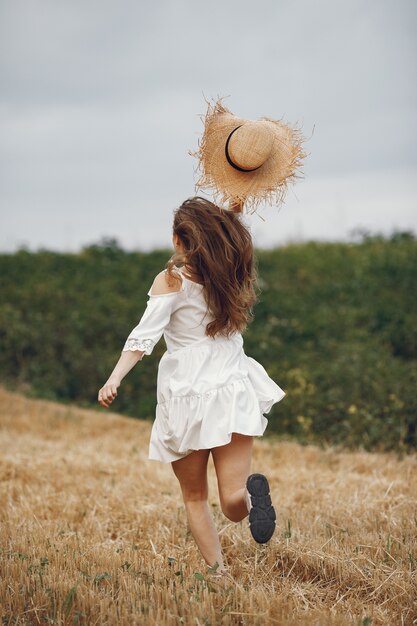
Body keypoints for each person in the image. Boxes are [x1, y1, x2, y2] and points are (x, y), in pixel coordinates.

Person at [97, 196, 286, 578]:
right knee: (231, 498)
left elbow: (142, 337)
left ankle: (219, 576)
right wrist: (231, 213)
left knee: (195, 497)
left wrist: (113, 378)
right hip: (232, 387)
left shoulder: (172, 280)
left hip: (187, 398)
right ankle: (251, 498)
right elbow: (226, 241)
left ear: (178, 241)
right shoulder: (229, 277)